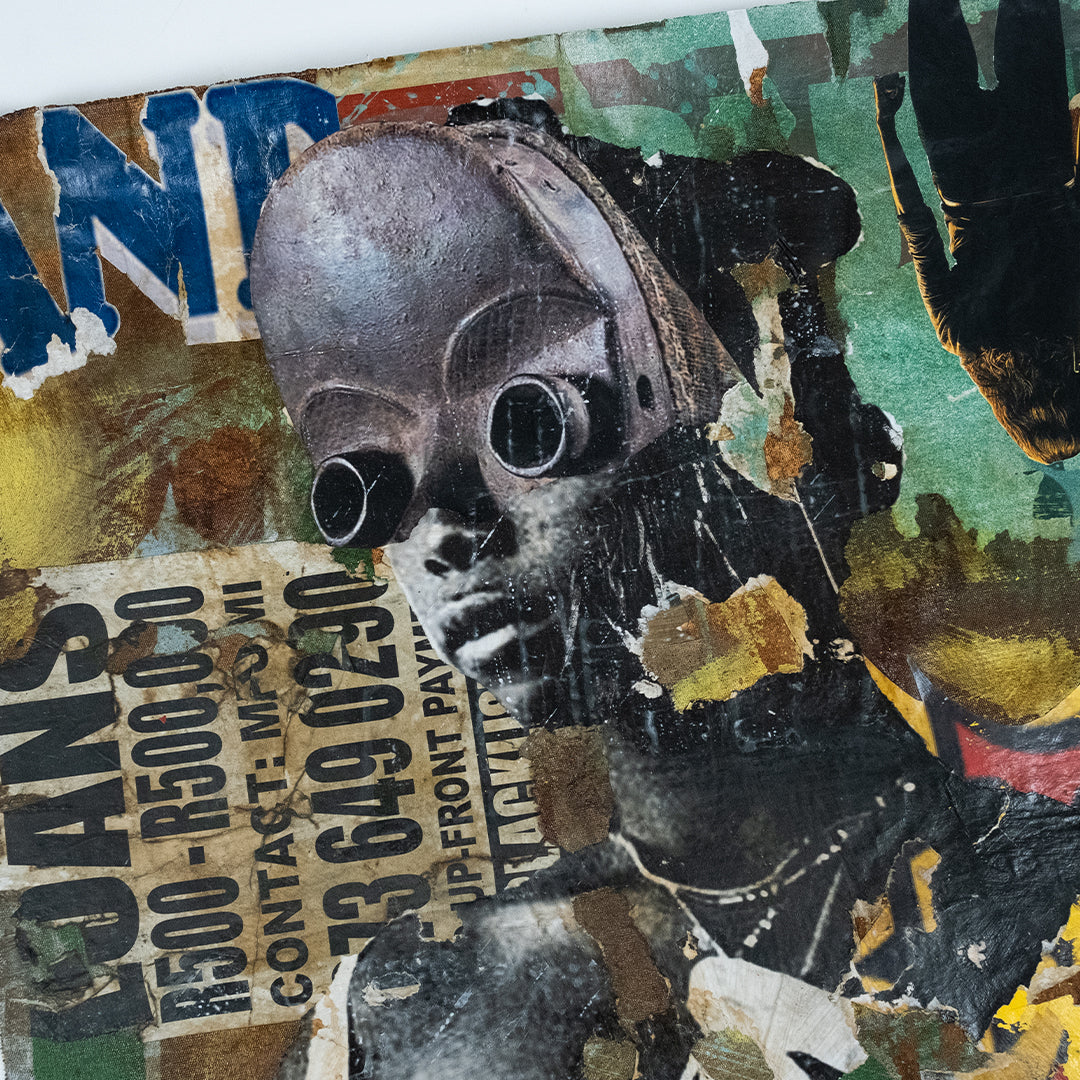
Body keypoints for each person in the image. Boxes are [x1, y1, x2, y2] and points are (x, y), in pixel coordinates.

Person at [250, 100, 1080, 1078]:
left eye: (530, 425)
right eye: (371, 481)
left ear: (792, 439)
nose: (448, 529)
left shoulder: (1040, 883)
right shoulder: (425, 1012)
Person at [874, 0, 1080, 463]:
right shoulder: (963, 339)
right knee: (931, 11)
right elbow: (919, 231)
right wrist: (886, 125)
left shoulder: (1074, 328)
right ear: (1012, 417)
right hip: (964, 169)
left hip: (1043, 155)